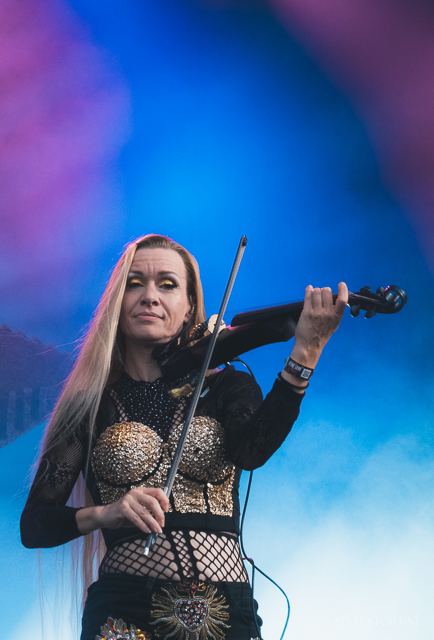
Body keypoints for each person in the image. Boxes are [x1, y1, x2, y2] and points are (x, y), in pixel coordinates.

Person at [20, 234, 348, 640]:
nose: (150, 296)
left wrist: (306, 354)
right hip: (125, 612)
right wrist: (107, 513)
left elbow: (253, 451)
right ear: (117, 301)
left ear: (190, 306)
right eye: (135, 283)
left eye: (168, 284)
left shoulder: (226, 386)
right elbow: (35, 525)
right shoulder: (89, 405)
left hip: (227, 614)